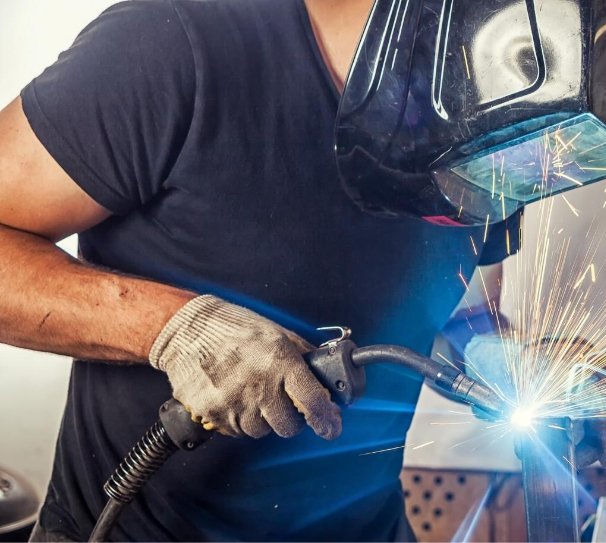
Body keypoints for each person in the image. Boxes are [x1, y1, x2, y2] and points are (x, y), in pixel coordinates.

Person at [0, 0, 522, 539]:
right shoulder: (173, 45)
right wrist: (175, 330)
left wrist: (504, 363)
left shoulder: (488, 114)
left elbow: (462, 315)